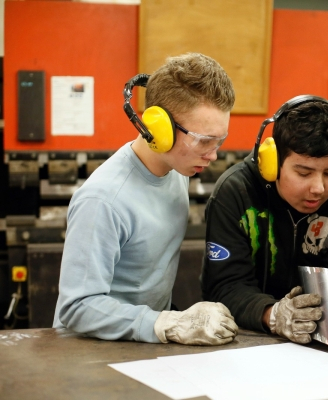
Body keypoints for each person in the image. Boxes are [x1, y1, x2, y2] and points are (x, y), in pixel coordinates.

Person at [53, 53, 239, 345]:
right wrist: (168, 322)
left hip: (143, 342)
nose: (213, 155)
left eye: (219, 141)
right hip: (91, 350)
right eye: (204, 141)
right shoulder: (103, 200)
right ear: (158, 129)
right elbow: (76, 307)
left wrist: (164, 322)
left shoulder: (177, 171)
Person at [201, 96, 328, 345]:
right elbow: (225, 287)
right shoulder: (234, 193)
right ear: (273, 163)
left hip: (318, 343)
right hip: (243, 342)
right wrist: (274, 316)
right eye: (304, 172)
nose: (319, 188)